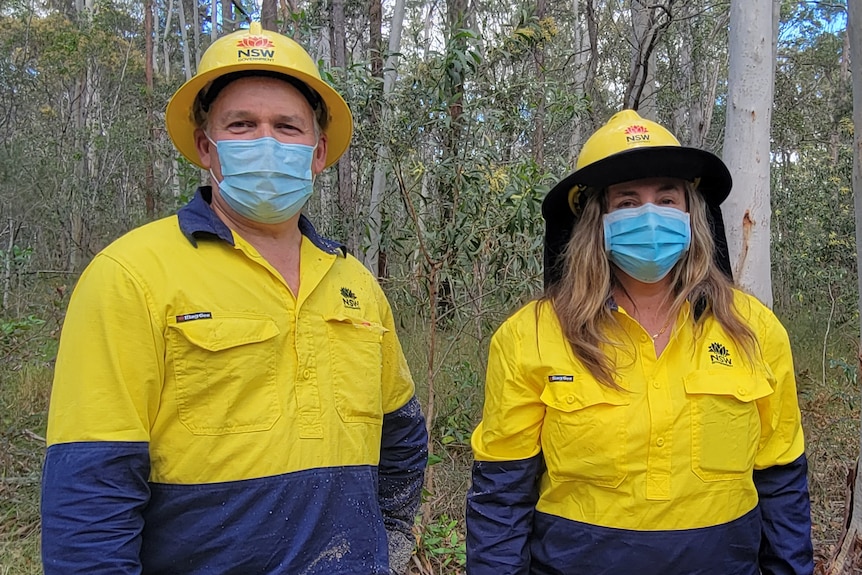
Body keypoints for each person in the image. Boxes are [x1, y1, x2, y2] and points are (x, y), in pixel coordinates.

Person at [41, 22, 427, 575]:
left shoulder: (356, 285)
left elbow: (402, 435)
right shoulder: (131, 273)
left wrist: (387, 541)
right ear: (206, 146)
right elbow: (90, 490)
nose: (265, 142)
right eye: (242, 125)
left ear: (318, 153)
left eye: (286, 127)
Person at [466, 110, 813, 575]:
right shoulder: (529, 336)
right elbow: (501, 501)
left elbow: (782, 485)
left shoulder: (755, 330)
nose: (650, 216)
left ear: (692, 214)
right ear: (596, 221)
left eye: (667, 198)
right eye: (627, 202)